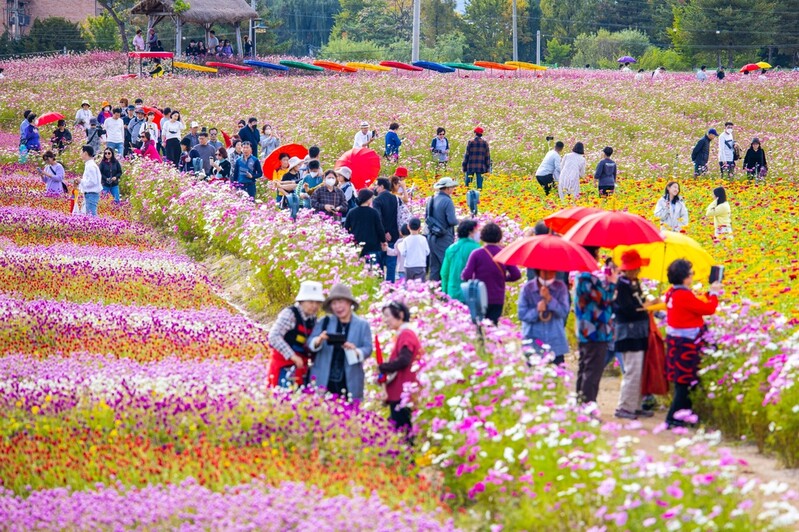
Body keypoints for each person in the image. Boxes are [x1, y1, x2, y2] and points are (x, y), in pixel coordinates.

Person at [664, 259, 721, 428]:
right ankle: (673, 418)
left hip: (677, 342)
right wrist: (714, 294)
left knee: (685, 381)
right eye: (691, 274)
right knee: (684, 381)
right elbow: (708, 309)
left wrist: (708, 294)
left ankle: (685, 416)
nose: (693, 276)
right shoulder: (683, 295)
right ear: (685, 277)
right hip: (686, 344)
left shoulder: (672, 292)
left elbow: (695, 303)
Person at [613, 250, 659, 420]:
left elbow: (639, 304)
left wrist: (650, 304)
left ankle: (636, 405)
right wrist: (647, 306)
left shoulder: (634, 283)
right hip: (628, 333)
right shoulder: (621, 285)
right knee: (632, 371)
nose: (638, 271)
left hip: (639, 332)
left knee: (639, 370)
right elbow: (627, 310)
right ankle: (624, 407)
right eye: (636, 268)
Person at [308, 283, 373, 400]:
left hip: (350, 377)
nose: (338, 307)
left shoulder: (362, 325)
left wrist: (356, 351)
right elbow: (310, 342)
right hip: (325, 375)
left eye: (341, 302)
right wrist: (319, 340)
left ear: (349, 303)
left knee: (349, 414)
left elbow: (368, 348)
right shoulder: (325, 322)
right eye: (334, 303)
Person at [573, 247, 616, 405]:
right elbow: (604, 299)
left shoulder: (581, 276)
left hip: (587, 330)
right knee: (592, 371)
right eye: (597, 254)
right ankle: (587, 406)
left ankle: (581, 404)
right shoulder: (587, 277)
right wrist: (611, 284)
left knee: (585, 368)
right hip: (595, 331)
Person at [266, 281, 324, 389]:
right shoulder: (290, 314)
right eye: (311, 302)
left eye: (317, 303)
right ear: (302, 301)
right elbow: (273, 336)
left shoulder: (313, 319)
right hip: (283, 364)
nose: (315, 306)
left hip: (300, 367)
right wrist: (293, 356)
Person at [377, 300, 421, 442]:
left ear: (401, 315)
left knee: (403, 429)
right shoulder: (403, 334)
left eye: (388, 316)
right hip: (401, 390)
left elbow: (404, 359)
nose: (386, 320)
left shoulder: (406, 334)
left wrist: (385, 367)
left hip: (403, 390)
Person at [461, 222, 521, 324]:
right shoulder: (504, 252)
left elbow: (466, 275)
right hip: (497, 297)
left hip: (479, 296)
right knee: (493, 326)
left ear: (482, 236)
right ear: (499, 237)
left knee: (479, 325)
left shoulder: (476, 254)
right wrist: (503, 278)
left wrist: (476, 279)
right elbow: (516, 275)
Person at [518, 269, 570, 365]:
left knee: (557, 377)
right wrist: (537, 310)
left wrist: (550, 300)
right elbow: (522, 314)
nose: (549, 274)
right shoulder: (528, 288)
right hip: (533, 340)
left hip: (555, 341)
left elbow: (563, 312)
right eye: (546, 272)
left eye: (552, 272)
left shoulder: (560, 287)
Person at [425, 177, 459, 282]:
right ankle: (445, 294)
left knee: (434, 267)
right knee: (446, 265)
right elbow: (452, 221)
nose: (453, 189)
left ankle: (433, 291)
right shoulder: (447, 201)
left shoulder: (431, 199)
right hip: (444, 237)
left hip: (431, 236)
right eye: (452, 187)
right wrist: (460, 221)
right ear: (447, 188)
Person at [440, 220, 481, 302]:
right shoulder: (477, 249)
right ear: (470, 232)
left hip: (453, 291)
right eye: (476, 231)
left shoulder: (451, 248)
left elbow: (444, 273)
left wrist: (444, 292)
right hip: (471, 292)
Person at [345, 189, 386, 264]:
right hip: (373, 245)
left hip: (357, 244)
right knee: (374, 270)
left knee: (359, 270)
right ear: (368, 199)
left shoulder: (352, 212)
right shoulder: (373, 212)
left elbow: (346, 229)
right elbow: (380, 228)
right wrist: (383, 241)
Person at [372, 177, 401, 282]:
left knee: (379, 261)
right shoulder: (395, 198)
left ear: (382, 186)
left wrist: (384, 232)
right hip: (394, 233)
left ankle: (380, 284)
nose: (375, 188)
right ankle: (390, 283)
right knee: (391, 261)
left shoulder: (377, 200)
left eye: (377, 185)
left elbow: (378, 217)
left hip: (381, 234)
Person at [78, 145, 102, 216]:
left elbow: (92, 182)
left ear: (85, 153)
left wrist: (81, 181)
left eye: (81, 152)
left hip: (91, 194)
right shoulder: (89, 165)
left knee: (91, 216)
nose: (80, 154)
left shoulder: (91, 166)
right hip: (89, 194)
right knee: (89, 216)